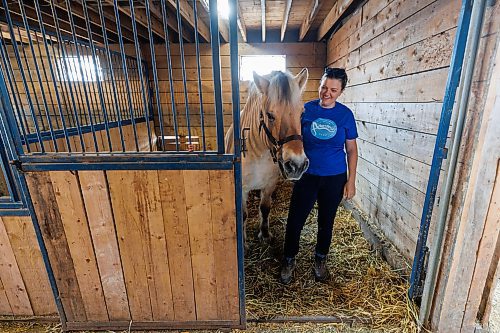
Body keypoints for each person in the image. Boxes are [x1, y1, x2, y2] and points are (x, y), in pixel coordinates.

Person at [280, 67, 358, 284]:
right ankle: (288, 259)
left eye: (333, 89)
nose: (327, 93)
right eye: (324, 87)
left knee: (327, 220)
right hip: (307, 175)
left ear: (341, 91)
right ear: (320, 85)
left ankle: (320, 259)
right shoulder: (305, 110)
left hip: (334, 177)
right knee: (295, 219)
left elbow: (351, 150)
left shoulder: (345, 115)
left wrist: (351, 181)